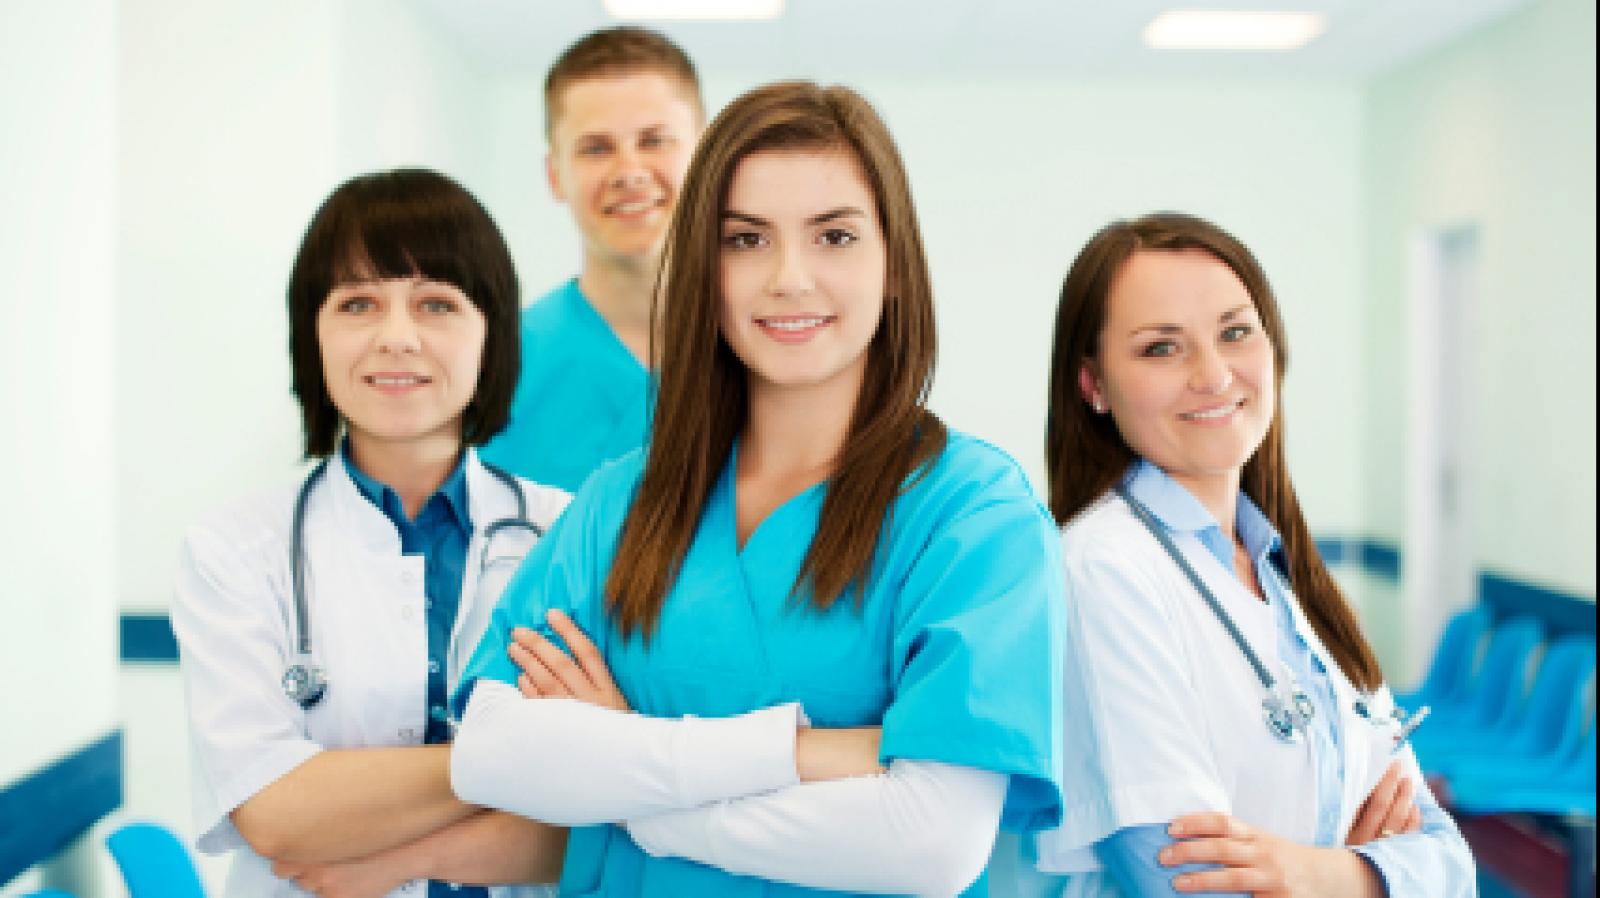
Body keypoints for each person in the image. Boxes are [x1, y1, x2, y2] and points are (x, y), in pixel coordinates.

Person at [449, 81, 1066, 896]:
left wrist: (634, 784)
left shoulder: (971, 515)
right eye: (745, 240)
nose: (789, 278)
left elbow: (930, 842)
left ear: (892, 265)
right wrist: (789, 752)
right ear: (704, 269)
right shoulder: (623, 501)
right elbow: (492, 752)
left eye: (835, 236)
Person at [1017, 212, 1475, 896]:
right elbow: (1188, 881)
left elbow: (1451, 863)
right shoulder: (1099, 573)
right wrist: (1369, 877)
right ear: (1094, 386)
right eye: (1161, 348)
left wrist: (1314, 873)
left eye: (1235, 332)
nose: (1212, 375)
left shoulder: (1295, 583)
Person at [172, 169, 571, 897]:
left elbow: (597, 818)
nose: (396, 338)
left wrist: (383, 840)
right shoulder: (233, 549)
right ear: (312, 337)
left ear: (492, 335)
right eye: (358, 303)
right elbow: (273, 813)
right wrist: (524, 760)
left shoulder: (570, 534)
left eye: (436, 304)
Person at [478, 26, 704, 491]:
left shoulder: (771, 347)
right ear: (555, 175)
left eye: (655, 140)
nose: (629, 172)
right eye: (596, 148)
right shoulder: (496, 367)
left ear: (705, 155)